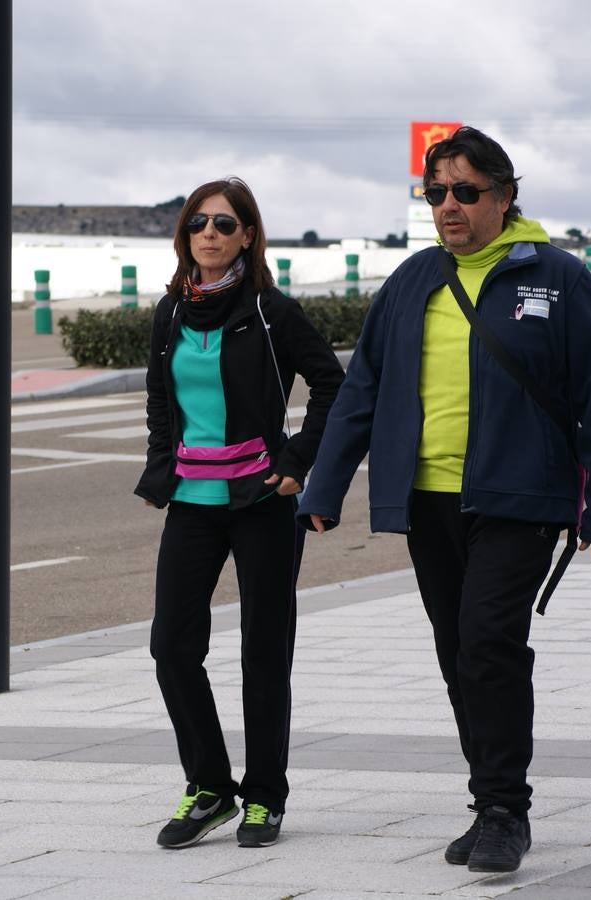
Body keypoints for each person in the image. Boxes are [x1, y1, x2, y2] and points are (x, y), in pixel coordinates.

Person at [297, 126, 591, 874]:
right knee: (459, 656)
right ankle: (487, 802)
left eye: (466, 191)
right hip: (428, 500)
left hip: (521, 495)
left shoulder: (557, 277)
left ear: (505, 196)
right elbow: (363, 390)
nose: (449, 205)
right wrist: (324, 485)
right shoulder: (413, 280)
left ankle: (508, 811)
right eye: (436, 192)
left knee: (488, 645)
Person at [134, 177, 344, 850]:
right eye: (199, 223)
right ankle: (210, 788)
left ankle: (266, 797)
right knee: (171, 647)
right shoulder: (169, 314)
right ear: (184, 234)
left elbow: (332, 384)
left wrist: (297, 461)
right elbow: (160, 403)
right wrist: (162, 466)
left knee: (263, 652)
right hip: (192, 505)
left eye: (226, 224)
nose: (211, 234)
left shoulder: (270, 311)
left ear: (249, 235)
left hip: (262, 502)